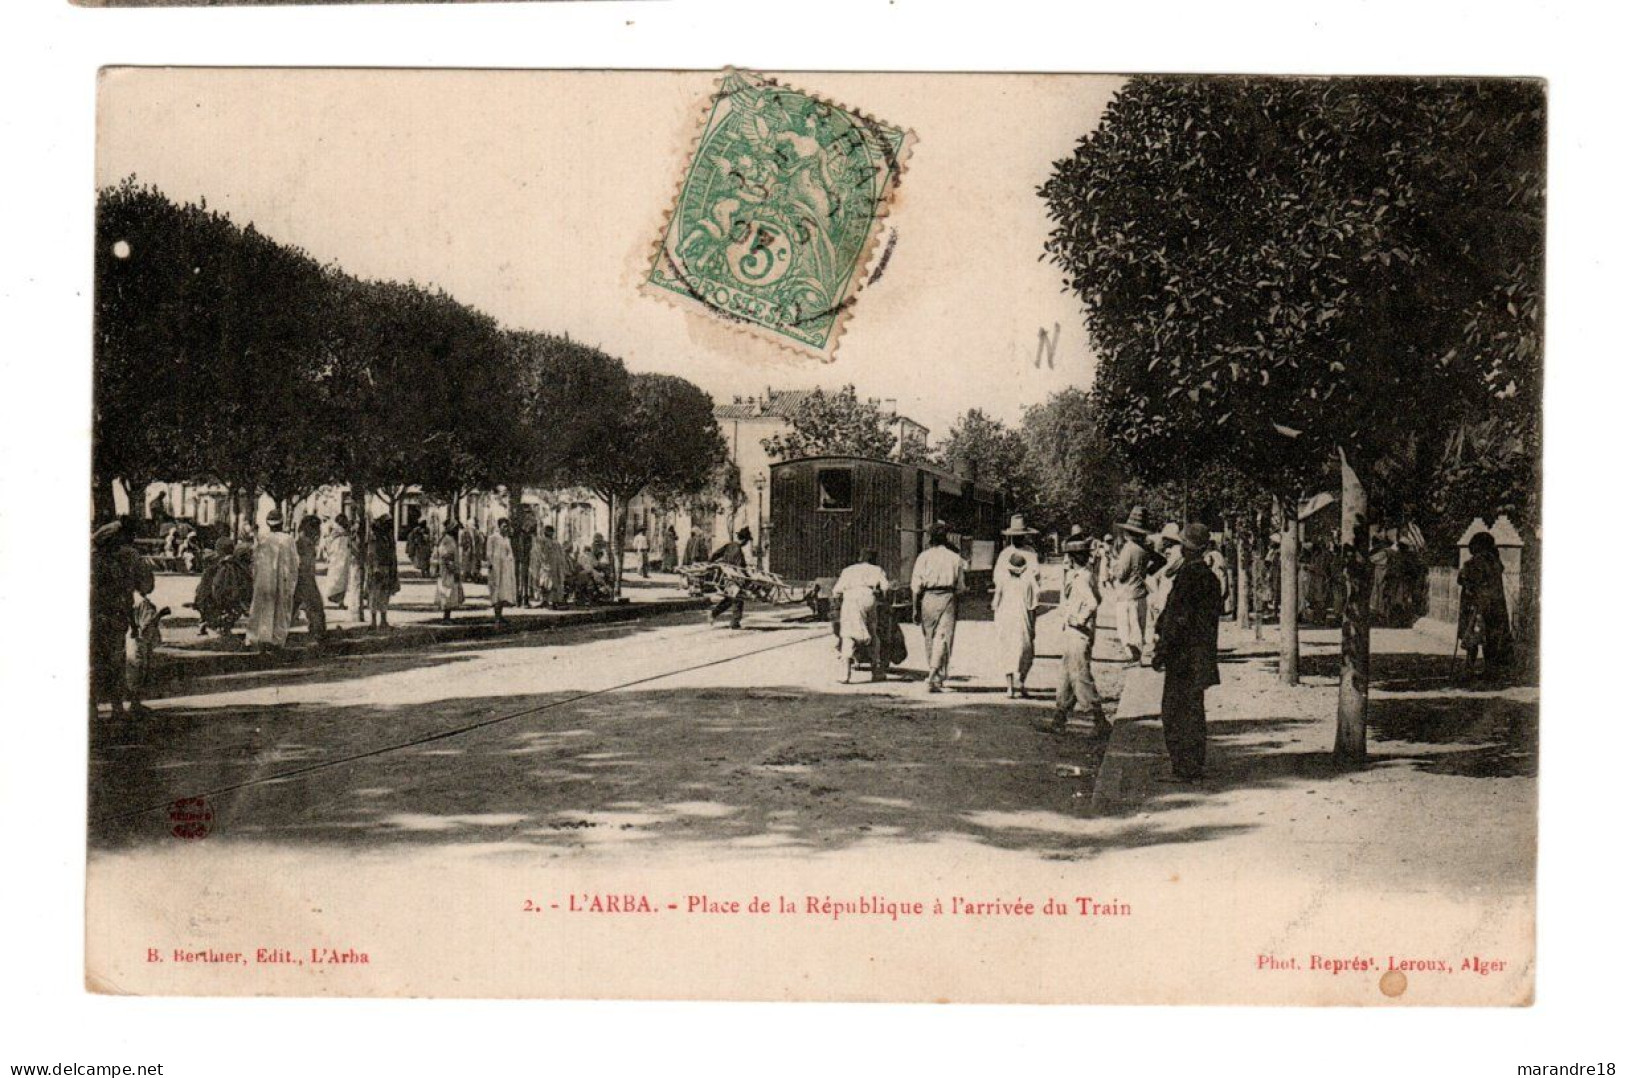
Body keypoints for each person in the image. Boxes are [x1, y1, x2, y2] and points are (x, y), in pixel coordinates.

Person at [1153, 522, 1225, 783]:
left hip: (1182, 656)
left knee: (1174, 711)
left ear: (1188, 548)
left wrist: (1162, 650)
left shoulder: (1189, 576)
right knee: (1193, 710)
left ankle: (1184, 767)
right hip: (1200, 655)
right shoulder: (1209, 578)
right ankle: (1192, 764)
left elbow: (1177, 619)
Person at [1036, 538, 1110, 737]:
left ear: (1073, 557)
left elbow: (1093, 603)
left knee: (1080, 677)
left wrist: (1079, 619)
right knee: (1067, 677)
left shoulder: (1082, 578)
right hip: (1074, 633)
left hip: (1078, 633)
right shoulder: (1082, 575)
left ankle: (1099, 720)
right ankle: (1059, 719)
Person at [90, 519, 155, 718]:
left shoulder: (98, 561)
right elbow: (134, 590)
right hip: (108, 619)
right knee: (112, 664)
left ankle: (100, 709)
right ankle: (114, 708)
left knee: (100, 665)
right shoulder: (110, 563)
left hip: (105, 620)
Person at [911, 522, 967, 693]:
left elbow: (915, 585)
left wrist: (915, 608)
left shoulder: (923, 557)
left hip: (927, 598)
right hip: (948, 597)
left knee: (930, 637)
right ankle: (935, 677)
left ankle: (934, 675)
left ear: (929, 538)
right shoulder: (955, 558)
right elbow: (961, 587)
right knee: (943, 638)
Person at [1458, 531, 1514, 678]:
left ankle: (1469, 668)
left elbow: (1462, 578)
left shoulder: (1475, 562)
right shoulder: (1496, 562)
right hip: (1495, 606)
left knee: (1474, 635)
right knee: (1491, 637)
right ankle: (1490, 669)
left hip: (1478, 605)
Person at [831, 549, 891, 683]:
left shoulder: (848, 570)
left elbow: (836, 591)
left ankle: (845, 674)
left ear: (860, 557)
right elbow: (886, 588)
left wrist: (837, 605)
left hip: (851, 599)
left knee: (848, 634)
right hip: (869, 598)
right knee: (872, 632)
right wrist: (883, 600)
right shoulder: (877, 569)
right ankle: (876, 671)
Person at [245, 510, 299, 650]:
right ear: (282, 522)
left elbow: (255, 561)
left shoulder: (262, 539)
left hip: (264, 579)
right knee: (280, 608)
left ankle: (258, 637)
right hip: (282, 579)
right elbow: (293, 562)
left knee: (261, 607)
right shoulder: (288, 539)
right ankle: (276, 639)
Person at [992, 549, 1039, 698]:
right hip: (1022, 618)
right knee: (1027, 651)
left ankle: (1010, 687)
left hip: (1005, 619)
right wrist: (1033, 625)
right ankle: (1022, 681)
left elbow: (995, 603)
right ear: (1023, 569)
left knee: (1007, 651)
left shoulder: (1002, 581)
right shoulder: (1029, 583)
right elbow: (1033, 606)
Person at [1112, 506, 1153, 664]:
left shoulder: (1128, 549)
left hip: (1127, 594)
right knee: (1138, 628)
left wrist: (1114, 568)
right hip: (1140, 593)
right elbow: (1158, 563)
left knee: (1127, 629)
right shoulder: (1145, 550)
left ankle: (1132, 656)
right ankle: (1138, 655)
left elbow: (1121, 575)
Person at [1145, 522, 1184, 661]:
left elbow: (1169, 570)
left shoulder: (1176, 551)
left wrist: (1159, 573)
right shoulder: (1173, 550)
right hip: (1166, 585)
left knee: (1163, 614)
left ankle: (1162, 648)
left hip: (1170, 585)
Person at [291, 515, 328, 647]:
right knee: (315, 607)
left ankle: (318, 634)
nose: (319, 531)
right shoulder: (303, 543)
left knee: (293, 608)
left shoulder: (306, 542)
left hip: (304, 578)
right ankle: (319, 635)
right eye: (317, 528)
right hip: (304, 579)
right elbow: (302, 563)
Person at [707, 528, 752, 629]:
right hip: (734, 578)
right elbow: (740, 567)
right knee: (738, 599)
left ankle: (713, 613)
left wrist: (710, 563)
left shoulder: (729, 545)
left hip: (725, 577)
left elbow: (716, 554)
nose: (747, 543)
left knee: (730, 599)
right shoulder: (738, 551)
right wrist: (747, 579)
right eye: (747, 541)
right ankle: (735, 623)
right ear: (744, 540)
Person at [367, 515, 400, 629]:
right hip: (377, 569)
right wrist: (375, 569)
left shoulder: (388, 537)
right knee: (374, 595)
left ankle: (383, 620)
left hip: (387, 568)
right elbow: (372, 554)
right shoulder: (375, 538)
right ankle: (373, 621)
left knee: (385, 595)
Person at [487, 517, 518, 625]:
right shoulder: (493, 538)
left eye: (506, 527)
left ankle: (500, 615)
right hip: (496, 568)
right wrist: (490, 564)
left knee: (502, 592)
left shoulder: (506, 539)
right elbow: (489, 553)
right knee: (496, 591)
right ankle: (496, 617)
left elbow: (509, 553)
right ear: (499, 526)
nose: (505, 529)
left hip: (505, 568)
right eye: (504, 526)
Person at [994, 514, 1039, 584]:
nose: (1018, 539)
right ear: (1011, 537)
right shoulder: (1005, 553)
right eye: (1015, 536)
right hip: (1010, 590)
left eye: (1020, 536)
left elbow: (1036, 572)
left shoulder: (1030, 552)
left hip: (1026, 589)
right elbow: (997, 576)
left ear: (1024, 536)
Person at [533, 524, 569, 608]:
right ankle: (544, 600)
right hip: (546, 565)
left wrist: (562, 565)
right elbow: (540, 553)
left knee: (554, 584)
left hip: (555, 566)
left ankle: (554, 602)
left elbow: (561, 555)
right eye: (548, 531)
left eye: (551, 532)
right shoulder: (542, 541)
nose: (550, 533)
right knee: (544, 583)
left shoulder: (556, 543)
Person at [436, 520, 466, 622]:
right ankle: (446, 616)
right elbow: (445, 555)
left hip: (451, 569)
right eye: (455, 529)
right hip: (448, 570)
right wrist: (453, 569)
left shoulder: (451, 539)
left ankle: (448, 615)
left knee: (451, 591)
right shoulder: (447, 540)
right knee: (447, 591)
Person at [325, 513, 355, 606]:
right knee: (342, 580)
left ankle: (337, 600)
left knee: (336, 579)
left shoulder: (335, 533)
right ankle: (340, 601)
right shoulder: (345, 534)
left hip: (336, 559)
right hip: (342, 558)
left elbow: (328, 546)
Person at [512, 509, 534, 607]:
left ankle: (522, 599)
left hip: (524, 559)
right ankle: (520, 599)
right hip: (521, 559)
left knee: (524, 579)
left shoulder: (525, 536)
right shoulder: (520, 536)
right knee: (521, 578)